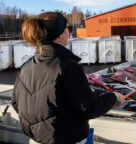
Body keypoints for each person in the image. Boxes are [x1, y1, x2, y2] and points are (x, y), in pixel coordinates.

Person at [11, 12, 125, 144]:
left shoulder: (27, 66)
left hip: (36, 138)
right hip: (66, 138)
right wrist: (114, 98)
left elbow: (16, 102)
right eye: (68, 29)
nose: (69, 33)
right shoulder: (68, 66)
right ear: (60, 34)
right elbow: (88, 108)